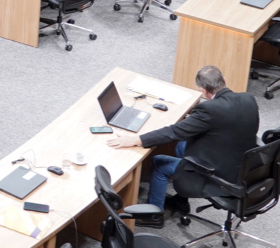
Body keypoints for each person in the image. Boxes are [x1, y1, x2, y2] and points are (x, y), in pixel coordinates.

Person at [107, 65, 259, 212]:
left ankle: (153, 215)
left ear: (203, 90)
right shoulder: (248, 98)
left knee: (159, 163)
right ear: (224, 80)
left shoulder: (209, 110)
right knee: (182, 145)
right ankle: (181, 201)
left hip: (220, 175)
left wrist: (136, 139)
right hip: (244, 164)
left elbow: (173, 132)